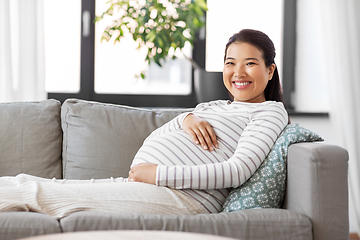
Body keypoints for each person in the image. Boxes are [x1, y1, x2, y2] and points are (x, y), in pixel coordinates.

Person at [0, 29, 288, 218]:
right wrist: (186, 118)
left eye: (250, 63)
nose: (238, 72)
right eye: (230, 62)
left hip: (184, 200)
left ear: (270, 69)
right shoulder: (212, 106)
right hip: (151, 188)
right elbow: (166, 130)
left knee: (35, 191)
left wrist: (158, 174)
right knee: (30, 184)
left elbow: (235, 172)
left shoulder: (269, 112)